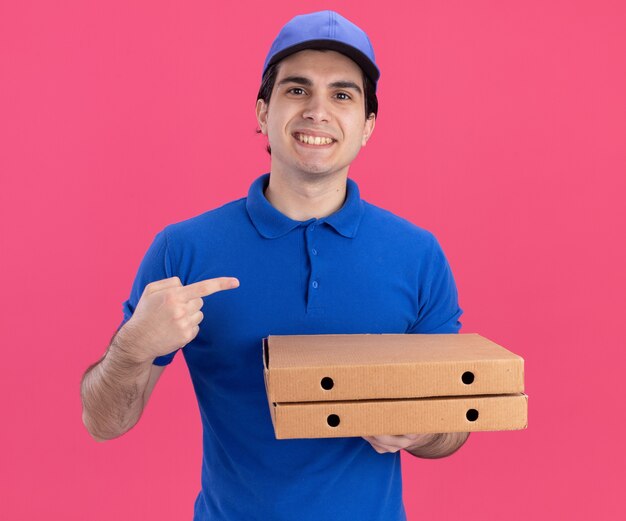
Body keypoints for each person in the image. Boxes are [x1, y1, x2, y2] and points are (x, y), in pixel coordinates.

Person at [81, 10, 468, 521]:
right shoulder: (184, 251)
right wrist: (132, 347)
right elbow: (104, 421)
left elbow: (455, 423)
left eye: (343, 95)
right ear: (263, 112)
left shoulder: (418, 255)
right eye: (296, 90)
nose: (318, 111)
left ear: (368, 126)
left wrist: (423, 431)